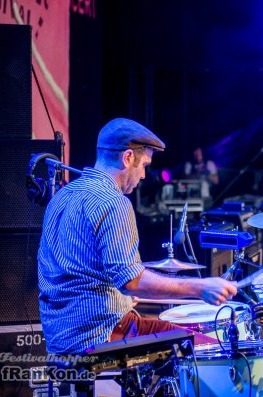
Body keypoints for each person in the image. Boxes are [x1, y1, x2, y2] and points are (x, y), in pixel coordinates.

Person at [38, 118, 237, 355]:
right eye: (143, 165)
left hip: (58, 335)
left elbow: (70, 272)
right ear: (128, 157)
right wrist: (200, 287)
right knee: (211, 350)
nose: (143, 175)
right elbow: (131, 282)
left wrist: (121, 299)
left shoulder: (62, 195)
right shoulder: (114, 203)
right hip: (98, 334)